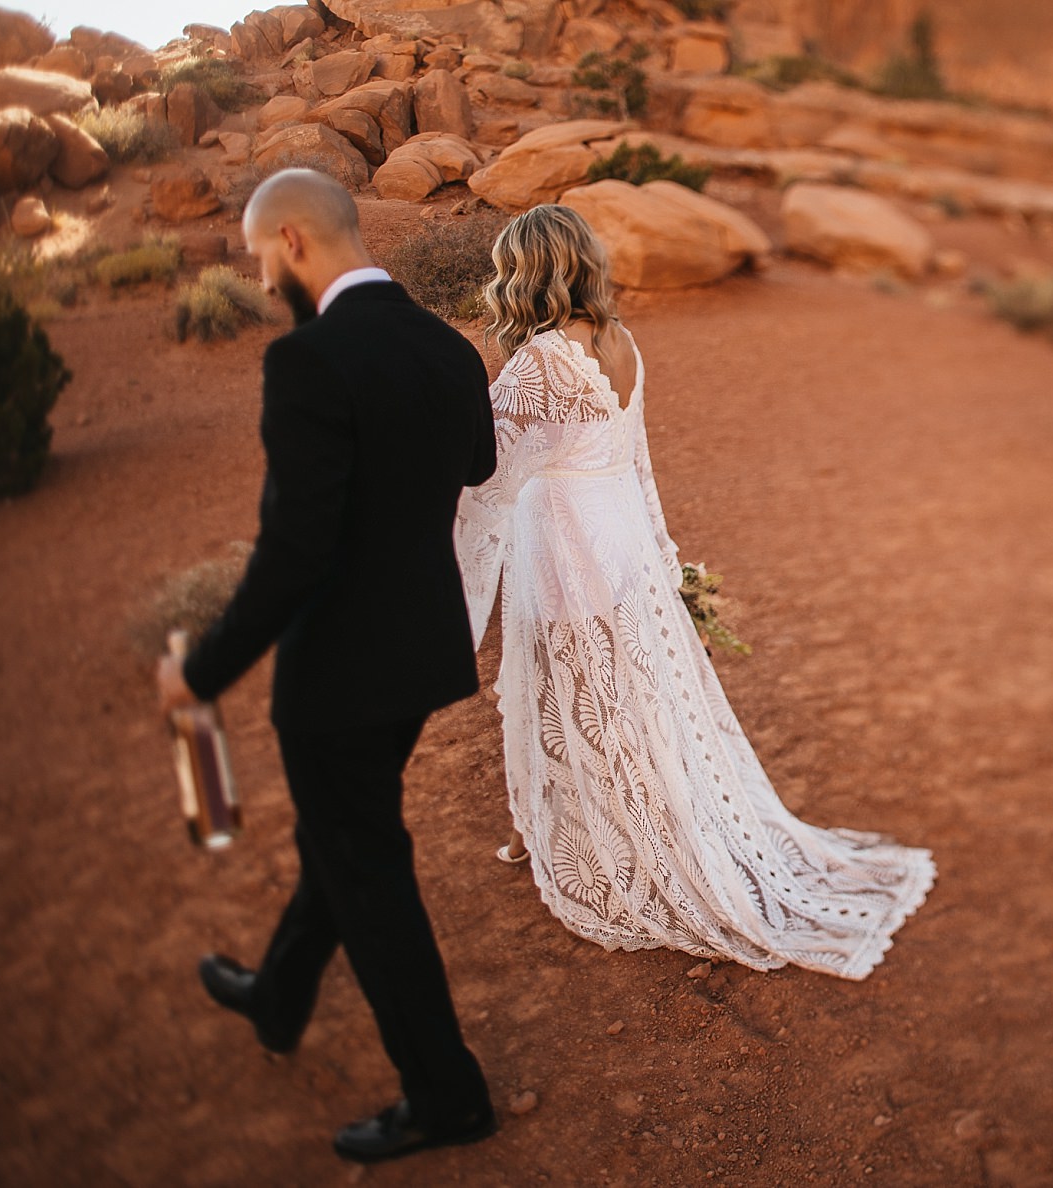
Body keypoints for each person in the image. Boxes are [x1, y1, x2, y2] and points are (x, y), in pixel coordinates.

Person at [456, 204, 935, 979]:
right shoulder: (620, 341)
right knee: (629, 699)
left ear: (527, 272)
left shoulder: (542, 359)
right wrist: (665, 558)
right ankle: (556, 820)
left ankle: (606, 839)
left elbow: (486, 474)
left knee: (576, 698)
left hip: (569, 553)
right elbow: (638, 464)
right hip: (621, 544)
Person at [155, 168, 499, 1164]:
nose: (262, 280)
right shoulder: (444, 345)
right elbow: (474, 467)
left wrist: (203, 671)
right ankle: (278, 992)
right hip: (422, 653)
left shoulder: (306, 361)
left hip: (338, 677)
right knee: (345, 842)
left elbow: (293, 550)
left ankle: (446, 1095)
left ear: (295, 243)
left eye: (262, 257)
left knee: (365, 867)